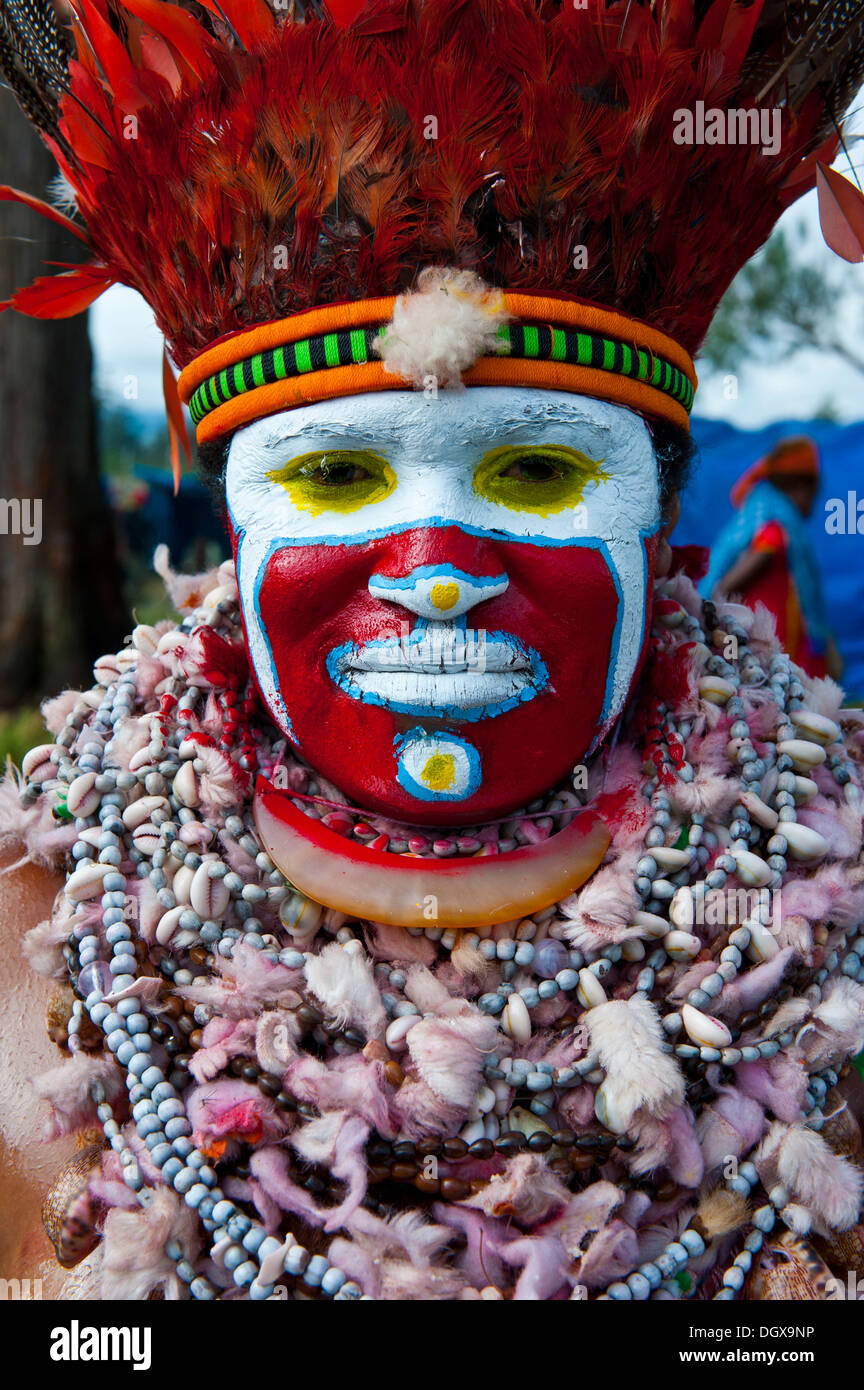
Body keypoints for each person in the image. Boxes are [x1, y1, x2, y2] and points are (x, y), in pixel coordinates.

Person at [1, 0, 863, 1304]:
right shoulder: (30, 926)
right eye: (340, 474)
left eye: (534, 467)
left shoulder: (836, 885)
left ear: (658, 519)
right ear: (236, 534)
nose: (437, 568)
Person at [704, 438, 840, 681]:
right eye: (813, 495)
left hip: (778, 651)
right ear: (799, 487)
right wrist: (710, 607)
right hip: (766, 652)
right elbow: (726, 586)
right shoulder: (774, 531)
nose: (813, 505)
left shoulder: (781, 530)